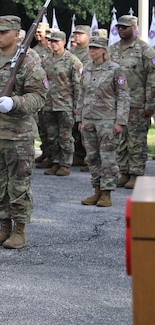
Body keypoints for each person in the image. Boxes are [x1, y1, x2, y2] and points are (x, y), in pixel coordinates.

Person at [0, 15, 48, 250]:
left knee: (18, 185)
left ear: (17, 34)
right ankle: (4, 228)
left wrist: (15, 102)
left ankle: (19, 231)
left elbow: (39, 96)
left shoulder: (28, 62)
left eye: (3, 32)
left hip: (18, 135)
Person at [78, 35, 129, 208]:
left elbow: (123, 96)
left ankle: (107, 193)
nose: (92, 51)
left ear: (103, 50)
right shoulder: (86, 68)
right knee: (92, 158)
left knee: (107, 158)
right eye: (90, 48)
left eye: (95, 48)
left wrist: (120, 121)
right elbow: (81, 95)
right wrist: (80, 118)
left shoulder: (115, 69)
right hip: (89, 119)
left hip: (107, 120)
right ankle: (97, 190)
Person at [108, 14, 155, 189]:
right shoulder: (112, 50)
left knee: (136, 141)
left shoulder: (145, 50)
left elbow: (153, 79)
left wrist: (150, 104)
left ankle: (136, 173)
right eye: (119, 27)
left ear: (134, 28)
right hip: (117, 105)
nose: (120, 30)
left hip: (138, 103)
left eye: (124, 27)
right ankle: (124, 171)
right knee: (120, 140)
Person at [37, 30, 82, 177]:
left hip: (65, 104)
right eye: (51, 41)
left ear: (64, 42)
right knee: (52, 136)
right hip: (49, 104)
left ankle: (65, 164)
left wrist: (77, 107)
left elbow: (78, 86)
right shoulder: (46, 60)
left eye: (56, 41)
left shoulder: (72, 61)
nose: (53, 44)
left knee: (65, 136)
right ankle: (55, 161)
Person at [69, 25, 92, 170]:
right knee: (75, 129)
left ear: (88, 36)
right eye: (75, 34)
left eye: (80, 34)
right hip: (72, 95)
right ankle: (78, 155)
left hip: (87, 94)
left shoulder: (91, 52)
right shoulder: (72, 52)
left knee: (87, 129)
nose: (76, 36)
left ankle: (90, 159)